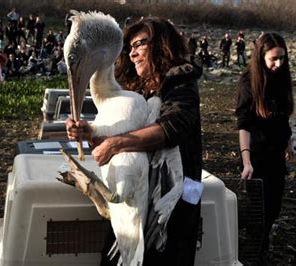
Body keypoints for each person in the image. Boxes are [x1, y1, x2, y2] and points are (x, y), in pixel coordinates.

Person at [66, 17, 203, 265]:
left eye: (140, 44)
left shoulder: (180, 81)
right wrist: (90, 133)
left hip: (171, 203)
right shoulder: (136, 91)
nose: (132, 53)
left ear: (161, 44)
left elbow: (172, 128)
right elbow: (111, 146)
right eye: (130, 47)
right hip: (137, 197)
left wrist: (115, 143)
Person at [235, 32, 294, 264]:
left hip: (276, 153)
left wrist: (288, 143)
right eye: (273, 59)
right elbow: (244, 125)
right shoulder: (248, 81)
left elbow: (283, 117)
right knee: (258, 210)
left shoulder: (281, 77)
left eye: (282, 58)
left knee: (273, 208)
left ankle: (262, 246)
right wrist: (246, 161)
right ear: (261, 57)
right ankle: (253, 253)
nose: (278, 64)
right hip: (255, 153)